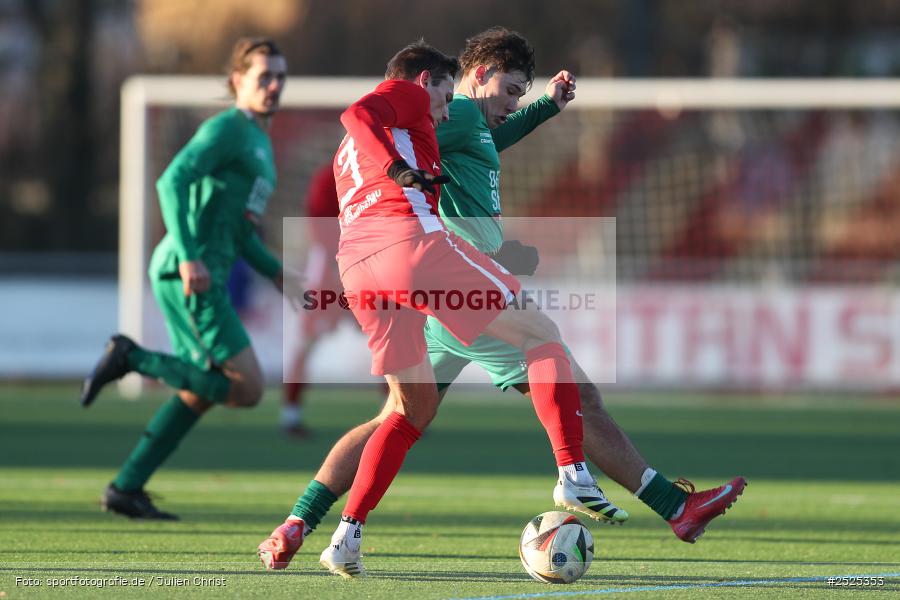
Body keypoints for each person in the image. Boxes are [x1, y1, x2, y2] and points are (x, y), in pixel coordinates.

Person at [258, 28, 746, 573]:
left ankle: (304, 520)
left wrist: (544, 108)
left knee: (398, 417)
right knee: (567, 378)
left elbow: (492, 138)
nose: (512, 103)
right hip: (449, 280)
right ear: (478, 74)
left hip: (409, 283)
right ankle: (656, 501)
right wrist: (396, 182)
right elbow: (399, 136)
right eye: (511, 90)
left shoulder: (471, 123)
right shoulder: (456, 111)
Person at [79, 37, 292, 519]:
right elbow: (170, 179)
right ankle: (130, 356)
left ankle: (126, 488)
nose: (275, 85)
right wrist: (191, 257)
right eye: (264, 76)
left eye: (280, 76)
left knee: (201, 390)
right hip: (190, 275)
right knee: (247, 387)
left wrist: (279, 275)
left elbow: (239, 231)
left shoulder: (259, 141)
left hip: (204, 272)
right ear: (238, 81)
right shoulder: (228, 130)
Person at [281, 164, 342, 438]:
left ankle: (396, 413)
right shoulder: (329, 176)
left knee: (392, 339)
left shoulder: (379, 169)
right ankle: (291, 412)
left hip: (368, 264)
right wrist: (334, 263)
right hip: (329, 269)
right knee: (307, 339)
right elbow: (318, 221)